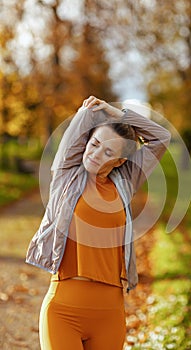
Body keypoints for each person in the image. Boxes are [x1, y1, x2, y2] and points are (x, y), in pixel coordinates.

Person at [26, 95, 171, 350]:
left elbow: (161, 138)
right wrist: (98, 110)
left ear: (120, 161)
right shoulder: (66, 173)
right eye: (94, 144)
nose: (95, 155)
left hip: (109, 314)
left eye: (108, 152)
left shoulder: (125, 181)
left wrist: (119, 114)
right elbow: (84, 116)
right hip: (63, 311)